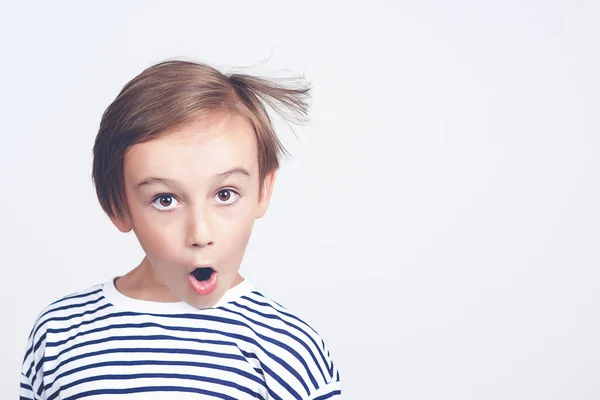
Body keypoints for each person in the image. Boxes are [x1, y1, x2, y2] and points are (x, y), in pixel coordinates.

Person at [20, 59, 342, 400]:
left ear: (263, 190)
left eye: (224, 194)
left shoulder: (289, 349)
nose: (200, 233)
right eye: (165, 200)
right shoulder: (59, 334)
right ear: (117, 205)